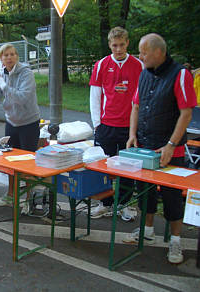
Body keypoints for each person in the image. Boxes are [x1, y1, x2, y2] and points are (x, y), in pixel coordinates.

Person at [125, 33, 197, 264]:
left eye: (143, 52)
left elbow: (186, 113)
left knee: (172, 197)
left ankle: (175, 241)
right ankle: (147, 231)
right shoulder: (144, 74)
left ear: (158, 52)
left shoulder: (180, 75)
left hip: (170, 150)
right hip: (144, 146)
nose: (140, 56)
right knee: (144, 191)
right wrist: (132, 134)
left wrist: (171, 144)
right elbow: (136, 106)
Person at [0, 43, 40, 214]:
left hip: (29, 123)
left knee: (27, 164)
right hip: (11, 123)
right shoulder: (0, 77)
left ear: (17, 56)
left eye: (12, 54)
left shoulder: (26, 73)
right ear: (1, 58)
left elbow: (21, 98)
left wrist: (4, 86)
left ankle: (29, 198)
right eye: (6, 55)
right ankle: (11, 195)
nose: (10, 57)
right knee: (10, 161)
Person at [89, 26, 144, 221]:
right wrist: (97, 124)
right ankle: (105, 203)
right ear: (109, 45)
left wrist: (138, 127)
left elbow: (142, 98)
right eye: (114, 45)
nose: (118, 49)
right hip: (106, 125)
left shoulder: (139, 65)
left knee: (128, 168)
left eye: (121, 45)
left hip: (129, 127)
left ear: (128, 43)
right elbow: (95, 96)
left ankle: (125, 204)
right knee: (103, 167)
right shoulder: (101, 64)